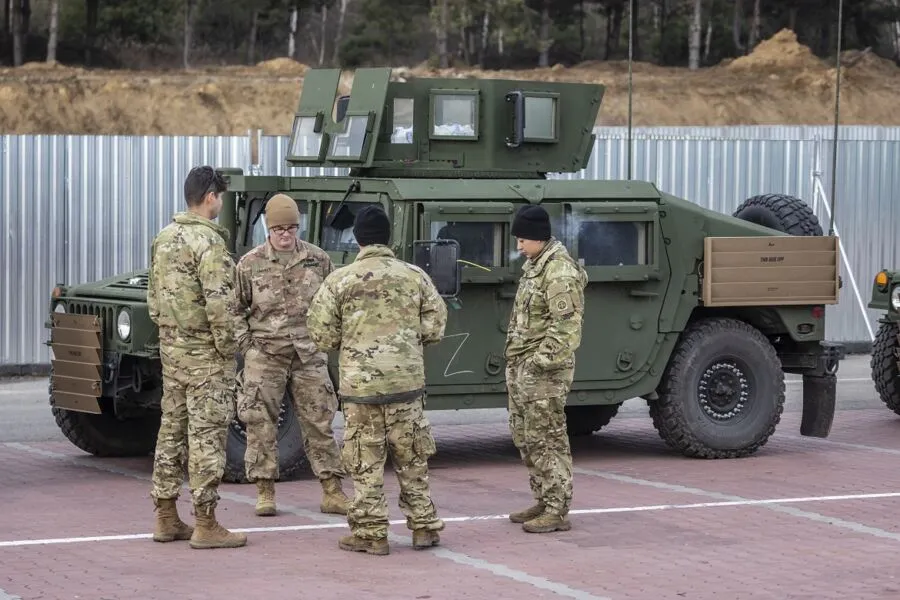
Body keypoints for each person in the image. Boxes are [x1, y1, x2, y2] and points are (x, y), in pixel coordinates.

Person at [307, 205, 447, 556]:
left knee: (365, 460)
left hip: (361, 389)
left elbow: (320, 332)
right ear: (390, 238)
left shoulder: (339, 280)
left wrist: (353, 343)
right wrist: (407, 344)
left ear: (357, 239)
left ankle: (371, 534)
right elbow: (435, 324)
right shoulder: (415, 276)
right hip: (406, 384)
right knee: (412, 456)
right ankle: (424, 527)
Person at [147, 165, 247, 549]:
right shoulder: (209, 243)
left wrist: (171, 333)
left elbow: (154, 300)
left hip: (173, 352)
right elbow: (220, 305)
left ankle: (166, 516)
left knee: (171, 430)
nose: (220, 202)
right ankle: (205, 523)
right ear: (210, 198)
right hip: (206, 357)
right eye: (220, 196)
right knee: (207, 437)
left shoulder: (165, 237)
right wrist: (227, 348)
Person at [232, 193, 350, 517]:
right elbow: (233, 309)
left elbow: (333, 304)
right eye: (279, 229)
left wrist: (327, 341)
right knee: (259, 424)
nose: (285, 235)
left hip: (308, 355)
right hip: (266, 354)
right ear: (268, 230)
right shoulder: (250, 263)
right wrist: (247, 347)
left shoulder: (318, 260)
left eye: (291, 228)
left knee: (320, 422)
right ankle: (265, 491)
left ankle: (332, 490)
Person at [504, 204, 588, 534]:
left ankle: (557, 508)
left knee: (547, 438)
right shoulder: (536, 266)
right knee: (526, 437)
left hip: (544, 375)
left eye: (522, 239)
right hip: (524, 370)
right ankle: (542, 499)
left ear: (538, 237)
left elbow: (566, 329)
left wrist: (537, 365)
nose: (518, 246)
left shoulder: (559, 272)